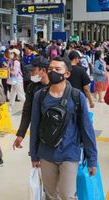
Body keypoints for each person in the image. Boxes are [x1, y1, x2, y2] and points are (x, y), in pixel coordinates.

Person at [30, 57, 98, 200]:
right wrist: (34, 155)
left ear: (67, 74)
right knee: (50, 195)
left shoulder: (76, 96)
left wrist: (92, 158)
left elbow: (87, 129)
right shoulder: (40, 96)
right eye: (50, 69)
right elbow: (35, 126)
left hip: (69, 152)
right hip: (46, 153)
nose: (52, 72)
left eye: (57, 69)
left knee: (68, 195)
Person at [13, 56, 49, 150]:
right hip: (37, 130)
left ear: (43, 70)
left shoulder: (56, 86)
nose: (31, 73)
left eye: (33, 70)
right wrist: (21, 134)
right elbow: (27, 112)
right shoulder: (32, 87)